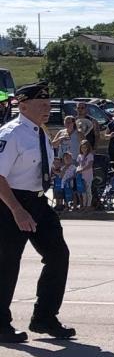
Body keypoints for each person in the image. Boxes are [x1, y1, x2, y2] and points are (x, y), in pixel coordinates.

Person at [0, 82, 76, 343]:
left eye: (48, 104)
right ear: (23, 106)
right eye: (41, 104)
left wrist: (55, 167)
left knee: (58, 255)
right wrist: (17, 211)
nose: (47, 108)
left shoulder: (40, 132)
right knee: (7, 264)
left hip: (38, 201)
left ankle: (44, 318)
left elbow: (33, 168)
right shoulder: (12, 134)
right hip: (11, 202)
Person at [75, 140, 94, 211]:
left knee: (88, 191)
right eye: (82, 147)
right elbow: (78, 165)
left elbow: (89, 165)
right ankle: (84, 205)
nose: (84, 149)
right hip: (81, 176)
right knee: (83, 192)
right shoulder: (79, 156)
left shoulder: (90, 155)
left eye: (85, 147)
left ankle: (88, 205)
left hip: (88, 176)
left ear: (88, 148)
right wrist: (77, 170)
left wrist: (81, 170)